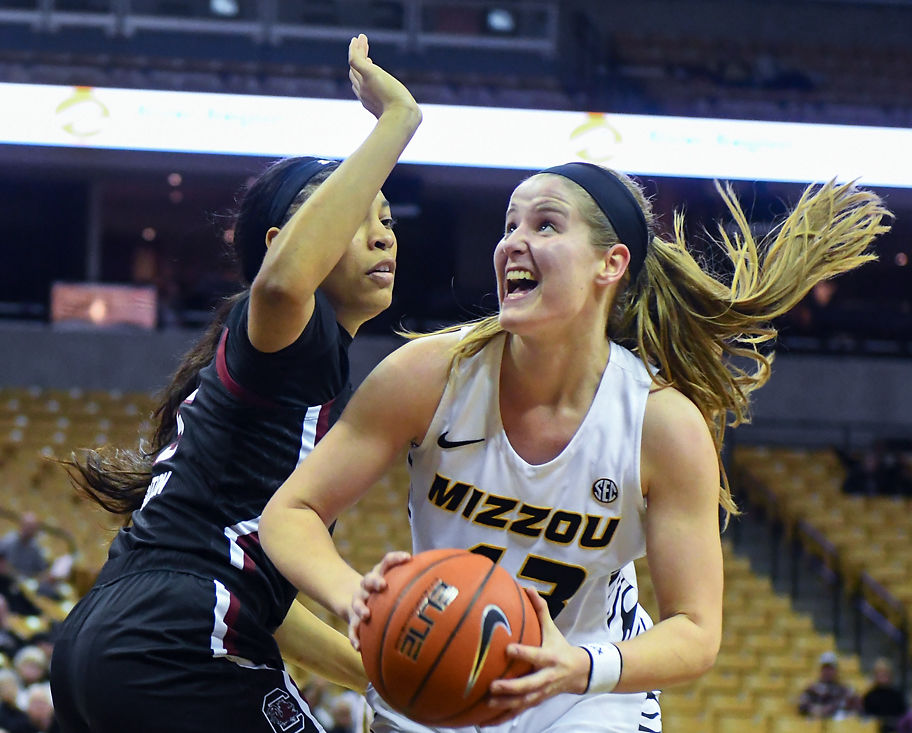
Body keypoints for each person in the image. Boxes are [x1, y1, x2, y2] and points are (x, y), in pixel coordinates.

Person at [261, 163, 891, 731]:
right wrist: (358, 599)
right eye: (509, 224)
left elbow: (696, 631)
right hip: (436, 677)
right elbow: (289, 514)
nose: (513, 241)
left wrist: (583, 666)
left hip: (586, 697)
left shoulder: (659, 423)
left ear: (609, 264)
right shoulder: (429, 374)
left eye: (544, 224)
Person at [49, 34, 421, 733]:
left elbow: (268, 605)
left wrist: (380, 677)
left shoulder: (283, 366)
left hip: (109, 639)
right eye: (356, 213)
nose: (381, 235)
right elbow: (281, 283)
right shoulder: (291, 332)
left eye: (387, 218)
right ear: (285, 239)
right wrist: (398, 121)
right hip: (178, 636)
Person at [799, 651, 860, 719]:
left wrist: (832, 708)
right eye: (825, 668)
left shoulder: (844, 690)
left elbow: (856, 705)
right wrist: (815, 709)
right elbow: (802, 706)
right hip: (816, 723)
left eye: (830, 668)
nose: (827, 672)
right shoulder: (812, 689)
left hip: (837, 725)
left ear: (836, 670)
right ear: (821, 670)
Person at [862, 657, 908, 733]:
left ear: (891, 675)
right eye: (880, 673)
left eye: (886, 673)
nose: (883, 675)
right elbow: (866, 718)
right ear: (875, 675)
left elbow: (904, 717)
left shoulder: (898, 695)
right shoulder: (869, 696)